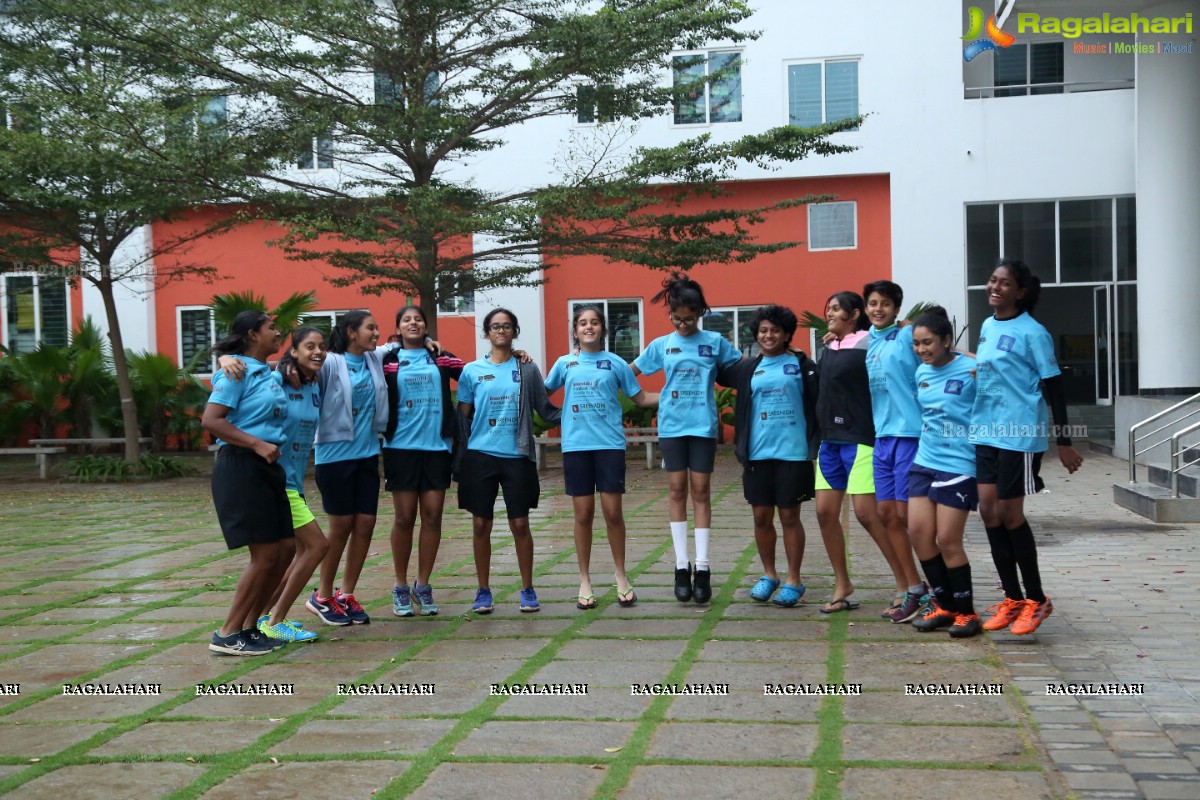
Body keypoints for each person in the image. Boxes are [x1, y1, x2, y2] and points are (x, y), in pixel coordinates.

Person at [971, 259, 1083, 636]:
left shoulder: (1034, 332)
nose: (995, 287)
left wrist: (1064, 442)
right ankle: (1012, 598)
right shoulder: (986, 326)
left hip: (1018, 435)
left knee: (1009, 513)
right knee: (988, 512)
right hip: (984, 431)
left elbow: (1054, 387)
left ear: (1020, 291)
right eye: (992, 280)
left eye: (1004, 283)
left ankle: (1036, 599)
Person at [632, 273, 740, 605]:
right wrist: (648, 399)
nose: (682, 324)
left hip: (703, 427)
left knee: (702, 492)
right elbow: (628, 373)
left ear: (700, 313)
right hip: (672, 428)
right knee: (677, 490)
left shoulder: (715, 342)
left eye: (688, 319)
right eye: (676, 319)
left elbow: (742, 369)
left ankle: (704, 568)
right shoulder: (662, 345)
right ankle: (681, 567)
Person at [545, 305, 657, 610]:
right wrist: (521, 362)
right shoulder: (565, 364)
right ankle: (585, 580)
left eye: (594, 322)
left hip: (609, 447)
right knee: (582, 515)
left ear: (602, 329)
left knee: (612, 513)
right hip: (576, 448)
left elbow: (642, 398)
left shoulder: (616, 363)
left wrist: (678, 395)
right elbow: (540, 394)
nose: (589, 327)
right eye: (583, 323)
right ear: (576, 331)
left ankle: (621, 575)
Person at [456, 308, 561, 614]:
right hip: (480, 456)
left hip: (517, 455)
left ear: (515, 331)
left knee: (519, 523)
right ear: (486, 333)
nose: (500, 331)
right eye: (494, 326)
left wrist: (577, 412)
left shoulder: (526, 368)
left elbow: (544, 407)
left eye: (506, 326)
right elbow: (463, 416)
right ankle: (483, 590)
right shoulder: (471, 371)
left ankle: (527, 588)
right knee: (480, 524)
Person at [202, 311, 295, 655]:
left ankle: (250, 628)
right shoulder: (235, 372)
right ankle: (227, 633)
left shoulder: (268, 373)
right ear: (253, 334)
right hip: (241, 466)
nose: (278, 332)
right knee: (266, 553)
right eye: (271, 327)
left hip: (268, 466)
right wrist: (256, 443)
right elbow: (211, 420)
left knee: (286, 548)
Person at [813, 291, 911, 614]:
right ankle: (843, 584)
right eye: (828, 308)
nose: (829, 312)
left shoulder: (872, 342)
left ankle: (905, 583)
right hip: (829, 441)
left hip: (861, 439)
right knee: (824, 513)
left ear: (855, 314)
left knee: (867, 515)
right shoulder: (826, 347)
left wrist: (906, 329)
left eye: (836, 308)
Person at [718, 305, 818, 608]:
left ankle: (794, 580)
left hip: (794, 452)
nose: (768, 335)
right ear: (756, 335)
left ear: (786, 334)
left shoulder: (802, 365)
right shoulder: (749, 368)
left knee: (789, 516)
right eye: (763, 330)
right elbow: (717, 369)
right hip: (757, 453)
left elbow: (819, 397)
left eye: (775, 330)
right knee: (761, 516)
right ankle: (769, 575)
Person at [382, 305, 464, 617]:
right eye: (407, 320)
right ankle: (401, 586)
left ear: (426, 326)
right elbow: (357, 356)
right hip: (400, 447)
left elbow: (475, 373)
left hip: (437, 447)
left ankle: (423, 585)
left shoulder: (440, 356)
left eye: (419, 319)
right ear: (398, 328)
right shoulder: (388, 359)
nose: (413, 323)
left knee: (432, 517)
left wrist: (517, 356)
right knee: (404, 518)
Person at [307, 310, 388, 625]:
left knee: (366, 523)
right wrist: (228, 361)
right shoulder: (328, 362)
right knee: (340, 527)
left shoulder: (374, 359)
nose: (377, 333)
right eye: (371, 327)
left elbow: (408, 345)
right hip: (333, 456)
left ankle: (346, 593)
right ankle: (322, 596)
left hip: (367, 454)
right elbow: (289, 367)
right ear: (351, 332)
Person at [906, 307, 982, 637]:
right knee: (920, 535)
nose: (922, 350)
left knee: (947, 539)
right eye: (917, 344)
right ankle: (944, 605)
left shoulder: (973, 369)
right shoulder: (920, 373)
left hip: (960, 463)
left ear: (947, 341)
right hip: (925, 461)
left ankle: (967, 614)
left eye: (929, 343)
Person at [257, 326, 333, 639]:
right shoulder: (276, 380)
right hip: (277, 480)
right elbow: (247, 381)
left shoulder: (314, 384)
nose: (317, 352)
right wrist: (225, 361)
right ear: (294, 351)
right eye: (309, 346)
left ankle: (261, 618)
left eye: (321, 347)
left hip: (295, 481)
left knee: (300, 554)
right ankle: (276, 622)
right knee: (317, 547)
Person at [863, 280, 929, 623]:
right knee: (886, 514)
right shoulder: (869, 342)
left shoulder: (906, 336)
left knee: (907, 517)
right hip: (882, 437)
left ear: (896, 308)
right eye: (873, 303)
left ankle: (935, 589)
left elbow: (941, 349)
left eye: (885, 303)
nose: (878, 309)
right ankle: (912, 587)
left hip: (910, 434)